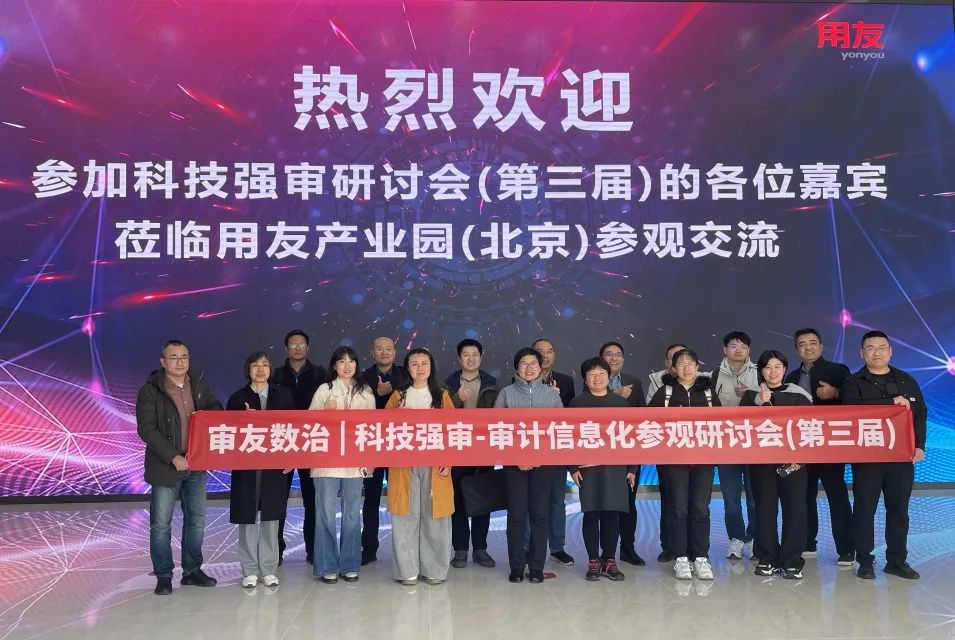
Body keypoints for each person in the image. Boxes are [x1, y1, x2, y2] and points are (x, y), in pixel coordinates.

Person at [136, 339, 221, 596]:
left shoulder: (198, 383)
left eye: (184, 357)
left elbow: (215, 408)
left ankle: (192, 571)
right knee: (161, 524)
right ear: (163, 362)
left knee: (196, 521)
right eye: (174, 357)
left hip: (196, 465)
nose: (180, 362)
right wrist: (173, 456)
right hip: (166, 466)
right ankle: (163, 576)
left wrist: (210, 418)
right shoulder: (151, 390)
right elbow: (147, 429)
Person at [841, 330, 926, 580]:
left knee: (899, 510)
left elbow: (920, 414)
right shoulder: (853, 381)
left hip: (901, 458)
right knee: (864, 510)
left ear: (890, 351)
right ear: (861, 353)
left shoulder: (906, 380)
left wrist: (920, 446)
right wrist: (890, 404)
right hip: (868, 458)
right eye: (870, 348)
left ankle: (896, 561)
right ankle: (865, 561)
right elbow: (851, 411)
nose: (876, 353)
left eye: (881, 348)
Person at [783, 328, 854, 565]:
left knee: (837, 495)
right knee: (804, 495)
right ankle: (807, 542)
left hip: (829, 444)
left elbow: (854, 400)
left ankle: (846, 548)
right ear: (796, 349)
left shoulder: (837, 370)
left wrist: (836, 392)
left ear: (821, 346)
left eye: (813, 342)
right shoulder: (791, 377)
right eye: (802, 344)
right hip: (801, 445)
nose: (808, 347)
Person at [648, 348, 720, 581]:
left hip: (704, 460)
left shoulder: (708, 392)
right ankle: (680, 557)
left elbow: (721, 422)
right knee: (678, 509)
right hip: (674, 461)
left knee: (700, 508)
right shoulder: (665, 392)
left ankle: (700, 558)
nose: (686, 368)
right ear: (673, 368)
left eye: (690, 363)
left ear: (697, 366)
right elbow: (650, 423)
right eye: (681, 364)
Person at [385, 348, 455, 586]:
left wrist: (448, 461)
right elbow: (382, 430)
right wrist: (396, 416)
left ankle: (434, 569)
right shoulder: (398, 396)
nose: (420, 368)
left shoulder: (442, 396)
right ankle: (407, 570)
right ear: (407, 368)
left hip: (435, 466)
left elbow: (454, 432)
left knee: (436, 517)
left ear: (431, 367)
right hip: (403, 466)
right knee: (405, 516)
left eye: (424, 363)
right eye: (414, 364)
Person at [495, 347, 564, 583]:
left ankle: (536, 567)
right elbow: (496, 429)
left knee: (540, 515)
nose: (529, 367)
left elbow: (560, 430)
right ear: (516, 368)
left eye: (533, 363)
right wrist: (516, 457)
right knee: (516, 514)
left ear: (540, 366)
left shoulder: (551, 395)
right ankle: (516, 567)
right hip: (514, 464)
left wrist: (540, 456)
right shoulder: (506, 394)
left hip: (543, 464)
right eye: (524, 363)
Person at [741, 350, 812, 580]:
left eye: (777, 367)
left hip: (794, 464)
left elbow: (811, 428)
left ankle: (792, 560)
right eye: (767, 367)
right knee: (764, 509)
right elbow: (740, 427)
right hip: (762, 464)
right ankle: (767, 558)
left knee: (795, 510)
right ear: (761, 371)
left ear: (785, 369)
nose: (772, 372)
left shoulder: (799, 395)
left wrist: (802, 458)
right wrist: (759, 402)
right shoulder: (750, 396)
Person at [226, 352, 295, 588]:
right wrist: (243, 420)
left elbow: (293, 428)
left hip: (274, 466)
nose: (260, 369)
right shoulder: (237, 398)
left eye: (265, 365)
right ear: (248, 370)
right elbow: (227, 431)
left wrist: (292, 457)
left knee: (271, 518)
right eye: (255, 365)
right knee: (247, 518)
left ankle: (268, 568)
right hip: (247, 466)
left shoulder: (283, 395)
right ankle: (249, 570)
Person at [309, 346, 376, 584]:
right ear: (334, 365)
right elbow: (308, 424)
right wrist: (324, 412)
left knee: (352, 515)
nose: (347, 366)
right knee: (325, 515)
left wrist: (371, 460)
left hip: (354, 462)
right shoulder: (324, 389)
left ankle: (349, 564)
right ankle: (327, 565)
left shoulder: (366, 392)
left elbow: (372, 428)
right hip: (326, 462)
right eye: (341, 361)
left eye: (351, 361)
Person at [569, 358, 635, 582]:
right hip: (588, 469)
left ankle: (609, 561)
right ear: (585, 379)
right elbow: (570, 437)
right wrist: (572, 467)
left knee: (611, 514)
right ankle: (593, 561)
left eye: (601, 374)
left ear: (609, 376)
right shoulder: (577, 403)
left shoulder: (620, 403)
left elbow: (630, 437)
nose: (597, 378)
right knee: (591, 513)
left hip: (616, 468)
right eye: (592, 374)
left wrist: (632, 468)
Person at [272, 329, 326, 566]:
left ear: (308, 348)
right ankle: (276, 550)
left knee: (312, 501)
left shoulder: (320, 373)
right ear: (286, 349)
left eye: (301, 344)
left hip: (311, 443)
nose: (297, 348)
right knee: (277, 500)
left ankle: (313, 550)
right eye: (292, 344)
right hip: (282, 443)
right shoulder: (275, 374)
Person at [444, 338, 497, 569]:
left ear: (481, 357)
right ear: (459, 358)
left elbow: (500, 415)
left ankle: (480, 549)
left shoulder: (492, 384)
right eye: (466, 354)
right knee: (458, 501)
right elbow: (440, 415)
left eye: (475, 354)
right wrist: (457, 399)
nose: (471, 358)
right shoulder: (448, 384)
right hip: (457, 450)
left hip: (484, 450)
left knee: (483, 499)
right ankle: (460, 550)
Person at [359, 336, 409, 565]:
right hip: (373, 446)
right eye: (379, 349)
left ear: (395, 352)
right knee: (371, 499)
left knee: (401, 498)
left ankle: (404, 550)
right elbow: (360, 411)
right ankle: (369, 549)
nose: (384, 352)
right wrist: (377, 396)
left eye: (388, 349)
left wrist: (389, 395)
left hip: (399, 445)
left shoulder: (406, 375)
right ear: (372, 353)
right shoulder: (363, 378)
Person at [598, 340, 647, 566]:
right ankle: (605, 552)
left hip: (628, 451)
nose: (614, 358)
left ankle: (628, 548)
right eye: (608, 354)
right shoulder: (593, 381)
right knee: (604, 504)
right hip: (601, 451)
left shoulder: (634, 383)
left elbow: (642, 417)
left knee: (628, 503)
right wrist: (615, 395)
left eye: (618, 354)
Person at [713, 331, 759, 560]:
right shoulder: (712, 376)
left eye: (743, 346)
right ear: (724, 350)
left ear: (749, 350)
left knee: (755, 497)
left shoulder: (761, 372)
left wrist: (751, 394)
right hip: (726, 445)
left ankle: (756, 536)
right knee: (731, 499)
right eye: (733, 346)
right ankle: (736, 538)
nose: (738, 350)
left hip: (755, 444)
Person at [531, 338, 576, 567]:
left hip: (556, 449)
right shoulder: (522, 380)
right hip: (531, 449)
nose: (545, 355)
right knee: (530, 500)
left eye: (549, 351)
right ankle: (529, 547)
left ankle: (558, 548)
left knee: (557, 500)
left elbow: (571, 416)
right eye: (540, 351)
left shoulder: (566, 381)